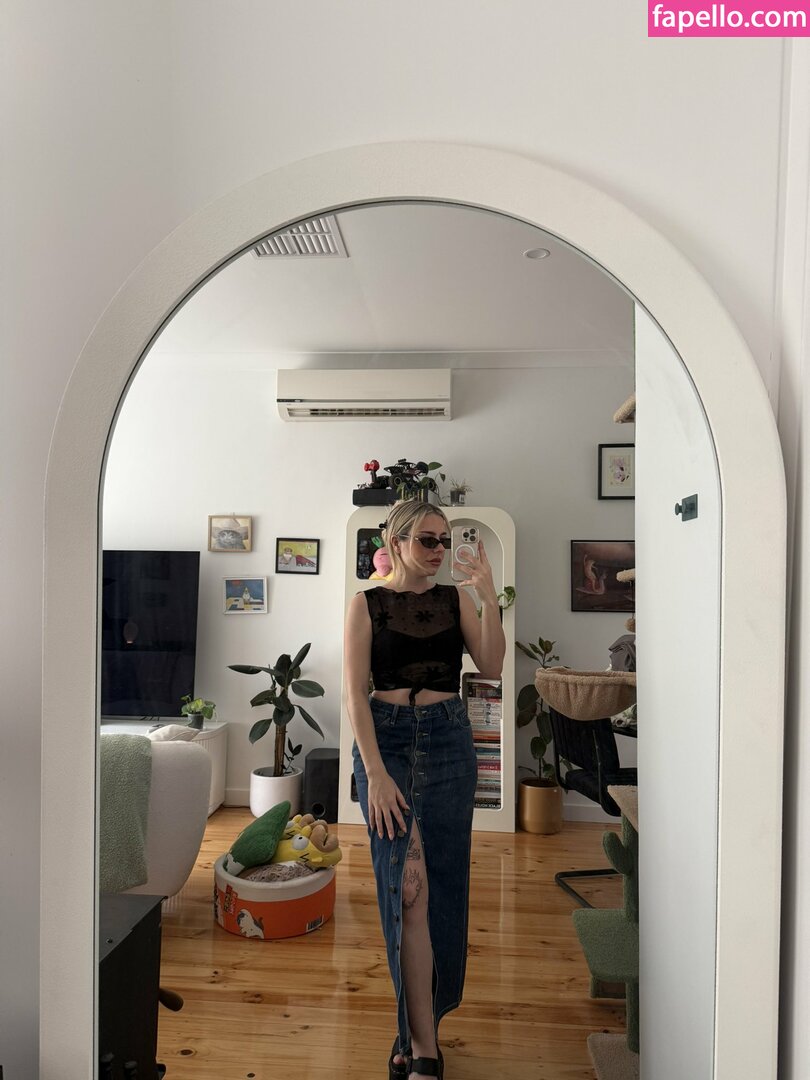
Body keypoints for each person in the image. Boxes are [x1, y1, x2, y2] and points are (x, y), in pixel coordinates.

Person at [344, 500, 505, 1080]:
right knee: (406, 890)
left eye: (444, 540)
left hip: (447, 743)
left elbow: (491, 665)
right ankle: (423, 1046)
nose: (439, 550)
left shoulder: (455, 599)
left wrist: (488, 597)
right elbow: (354, 694)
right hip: (385, 744)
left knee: (441, 889)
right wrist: (375, 774)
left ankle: (418, 1028)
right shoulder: (366, 604)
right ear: (397, 540)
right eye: (427, 540)